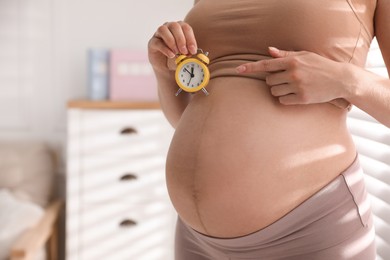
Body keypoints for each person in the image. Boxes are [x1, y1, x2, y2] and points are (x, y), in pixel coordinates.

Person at [148, 0, 390, 259]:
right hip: (198, 242)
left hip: (309, 230)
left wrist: (347, 80)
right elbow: (187, 117)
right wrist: (162, 71)